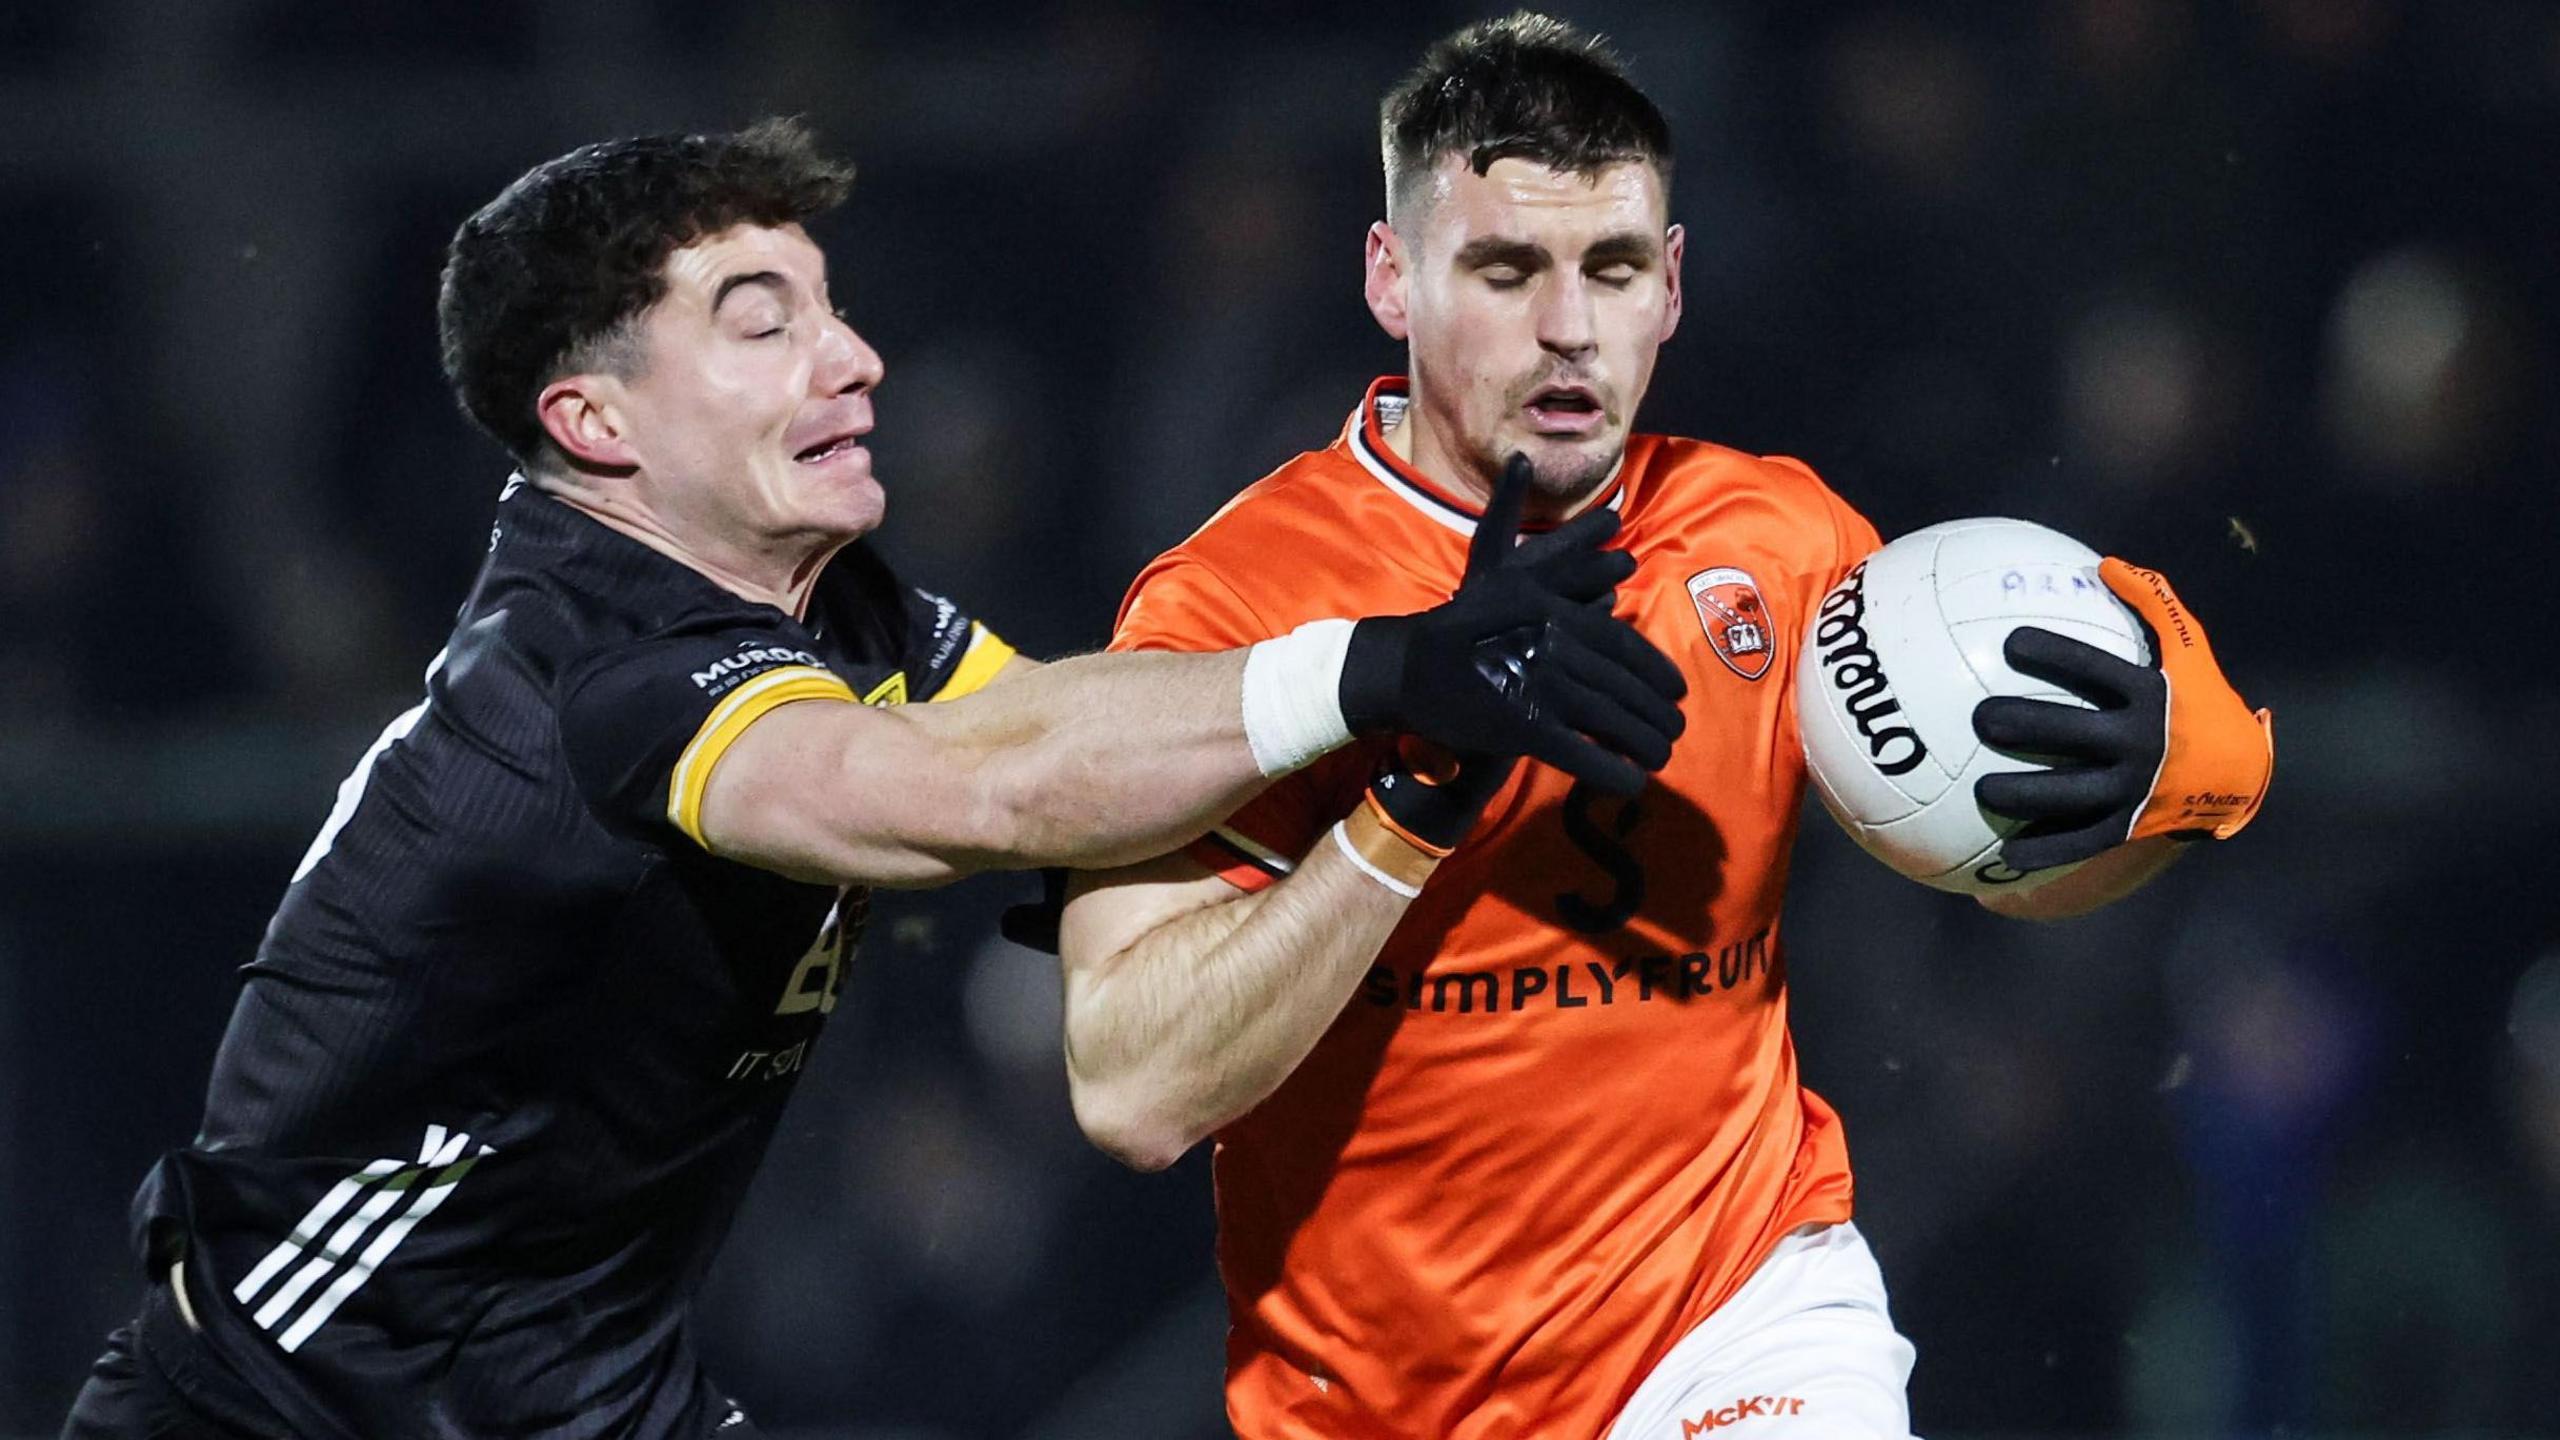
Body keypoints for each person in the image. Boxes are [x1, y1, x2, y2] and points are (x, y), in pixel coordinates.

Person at [58, 118, 1689, 1439]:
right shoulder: (586, 673)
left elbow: (1064, 733)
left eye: (832, 308)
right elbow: (963, 797)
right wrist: (1378, 670)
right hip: (286, 1416)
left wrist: (1400, 803)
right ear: (592, 421)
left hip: (578, 1403)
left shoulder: (837, 606)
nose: (853, 360)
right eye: (763, 324)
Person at [1056, 15, 2274, 1439]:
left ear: (1673, 286)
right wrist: (1413, 813)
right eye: (1505, 270)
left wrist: (2178, 790)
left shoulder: (1776, 538)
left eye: (1613, 269)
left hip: (1741, 1313)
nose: (1569, 328)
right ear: (1392, 278)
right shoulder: (1230, 607)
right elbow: (1132, 1085)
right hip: (1382, 1403)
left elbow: (2002, 860)